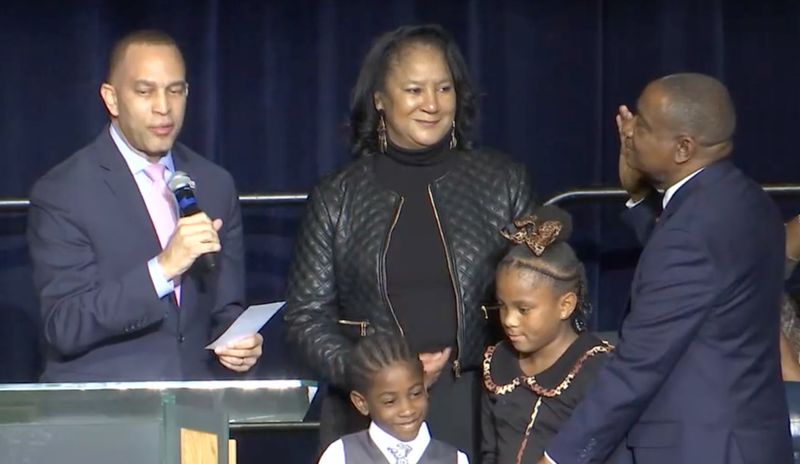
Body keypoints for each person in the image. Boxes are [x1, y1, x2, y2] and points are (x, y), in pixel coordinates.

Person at [283, 24, 536, 461]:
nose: (432, 104)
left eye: (444, 88)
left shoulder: (503, 181)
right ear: (381, 99)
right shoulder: (337, 196)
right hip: (366, 409)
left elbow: (548, 294)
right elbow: (305, 318)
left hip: (476, 404)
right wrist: (376, 374)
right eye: (415, 90)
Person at [536, 73, 792, 464]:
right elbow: (694, 277)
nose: (630, 131)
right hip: (749, 440)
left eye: (644, 125)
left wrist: (559, 459)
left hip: (699, 449)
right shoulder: (750, 202)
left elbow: (637, 366)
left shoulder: (690, 233)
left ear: (682, 148)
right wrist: (639, 197)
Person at [27, 30, 262, 382]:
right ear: (112, 99)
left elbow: (225, 307)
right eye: (144, 91)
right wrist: (164, 268)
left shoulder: (215, 183)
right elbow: (65, 324)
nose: (163, 108)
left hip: (197, 412)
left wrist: (238, 343)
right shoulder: (64, 191)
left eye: (175, 90)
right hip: (105, 415)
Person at [481, 206, 618, 464]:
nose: (509, 320)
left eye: (523, 309)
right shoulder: (498, 361)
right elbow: (490, 451)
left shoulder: (597, 368)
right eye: (502, 306)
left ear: (565, 305)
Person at [318, 332, 470, 464]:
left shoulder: (454, 459)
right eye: (390, 401)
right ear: (361, 403)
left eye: (415, 393)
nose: (407, 410)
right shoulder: (340, 456)